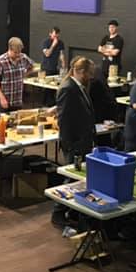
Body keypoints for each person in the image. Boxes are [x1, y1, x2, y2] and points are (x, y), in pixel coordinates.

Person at [51, 57, 97, 227]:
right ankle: (58, 212)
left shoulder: (77, 87)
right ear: (81, 71)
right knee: (71, 178)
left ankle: (73, 211)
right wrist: (70, 144)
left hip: (82, 140)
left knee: (78, 178)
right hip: (74, 142)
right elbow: (64, 119)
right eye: (89, 73)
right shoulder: (68, 89)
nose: (91, 77)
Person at [0, 37, 36, 112]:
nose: (18, 54)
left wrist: (24, 74)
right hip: (3, 100)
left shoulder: (23, 57)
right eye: (15, 52)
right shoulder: (0, 62)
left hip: (17, 101)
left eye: (19, 52)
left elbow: (31, 67)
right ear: (9, 49)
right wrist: (2, 98)